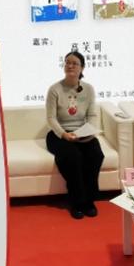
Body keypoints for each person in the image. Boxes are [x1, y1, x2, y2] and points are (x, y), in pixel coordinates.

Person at [45, 51, 104, 219]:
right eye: (67, 62)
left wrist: (89, 131)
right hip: (59, 134)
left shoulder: (88, 89)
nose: (70, 66)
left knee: (96, 154)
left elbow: (92, 115)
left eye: (74, 63)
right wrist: (64, 134)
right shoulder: (55, 89)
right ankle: (77, 202)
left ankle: (89, 200)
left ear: (82, 68)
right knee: (72, 157)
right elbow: (51, 118)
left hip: (82, 133)